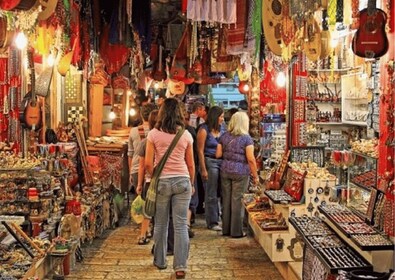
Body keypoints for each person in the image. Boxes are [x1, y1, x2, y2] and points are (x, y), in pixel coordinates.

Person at [145, 98, 195, 279]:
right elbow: (191, 165)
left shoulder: (153, 135)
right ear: (179, 114)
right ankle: (180, 266)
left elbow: (149, 164)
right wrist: (192, 183)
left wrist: (154, 178)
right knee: (181, 224)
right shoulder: (186, 135)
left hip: (162, 183)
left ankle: (160, 260)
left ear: (162, 113)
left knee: (160, 223)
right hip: (183, 181)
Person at [216, 112, 258, 238]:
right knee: (237, 201)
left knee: (226, 200)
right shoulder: (246, 139)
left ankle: (226, 229)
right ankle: (236, 231)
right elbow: (250, 159)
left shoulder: (224, 136)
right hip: (240, 172)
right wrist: (255, 175)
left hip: (225, 170)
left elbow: (218, 154)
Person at [197, 106, 224, 231]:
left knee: (221, 192)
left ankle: (221, 217)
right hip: (209, 161)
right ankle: (212, 221)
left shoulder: (222, 129)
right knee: (211, 192)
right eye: (221, 116)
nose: (223, 119)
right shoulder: (204, 130)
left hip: (222, 162)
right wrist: (203, 169)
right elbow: (200, 151)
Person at [135, 110, 159, 245]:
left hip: (150, 180)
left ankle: (143, 234)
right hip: (162, 179)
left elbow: (142, 165)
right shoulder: (166, 138)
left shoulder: (146, 141)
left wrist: (139, 184)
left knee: (147, 209)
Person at [128, 103, 157, 194]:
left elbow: (130, 154)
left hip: (136, 169)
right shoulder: (157, 131)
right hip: (153, 169)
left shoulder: (133, 131)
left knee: (140, 201)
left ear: (141, 115)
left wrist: (130, 172)